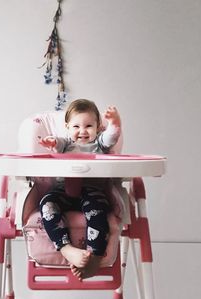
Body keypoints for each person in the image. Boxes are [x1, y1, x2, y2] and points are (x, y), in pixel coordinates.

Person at [38, 99, 121, 279]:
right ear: (67, 127)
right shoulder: (66, 144)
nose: (82, 131)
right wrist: (51, 143)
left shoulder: (100, 143)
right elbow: (57, 144)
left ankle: (95, 258)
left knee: (98, 210)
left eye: (89, 126)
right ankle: (67, 249)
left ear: (98, 127)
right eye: (76, 126)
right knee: (47, 203)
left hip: (92, 190)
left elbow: (111, 137)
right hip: (64, 190)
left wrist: (115, 123)